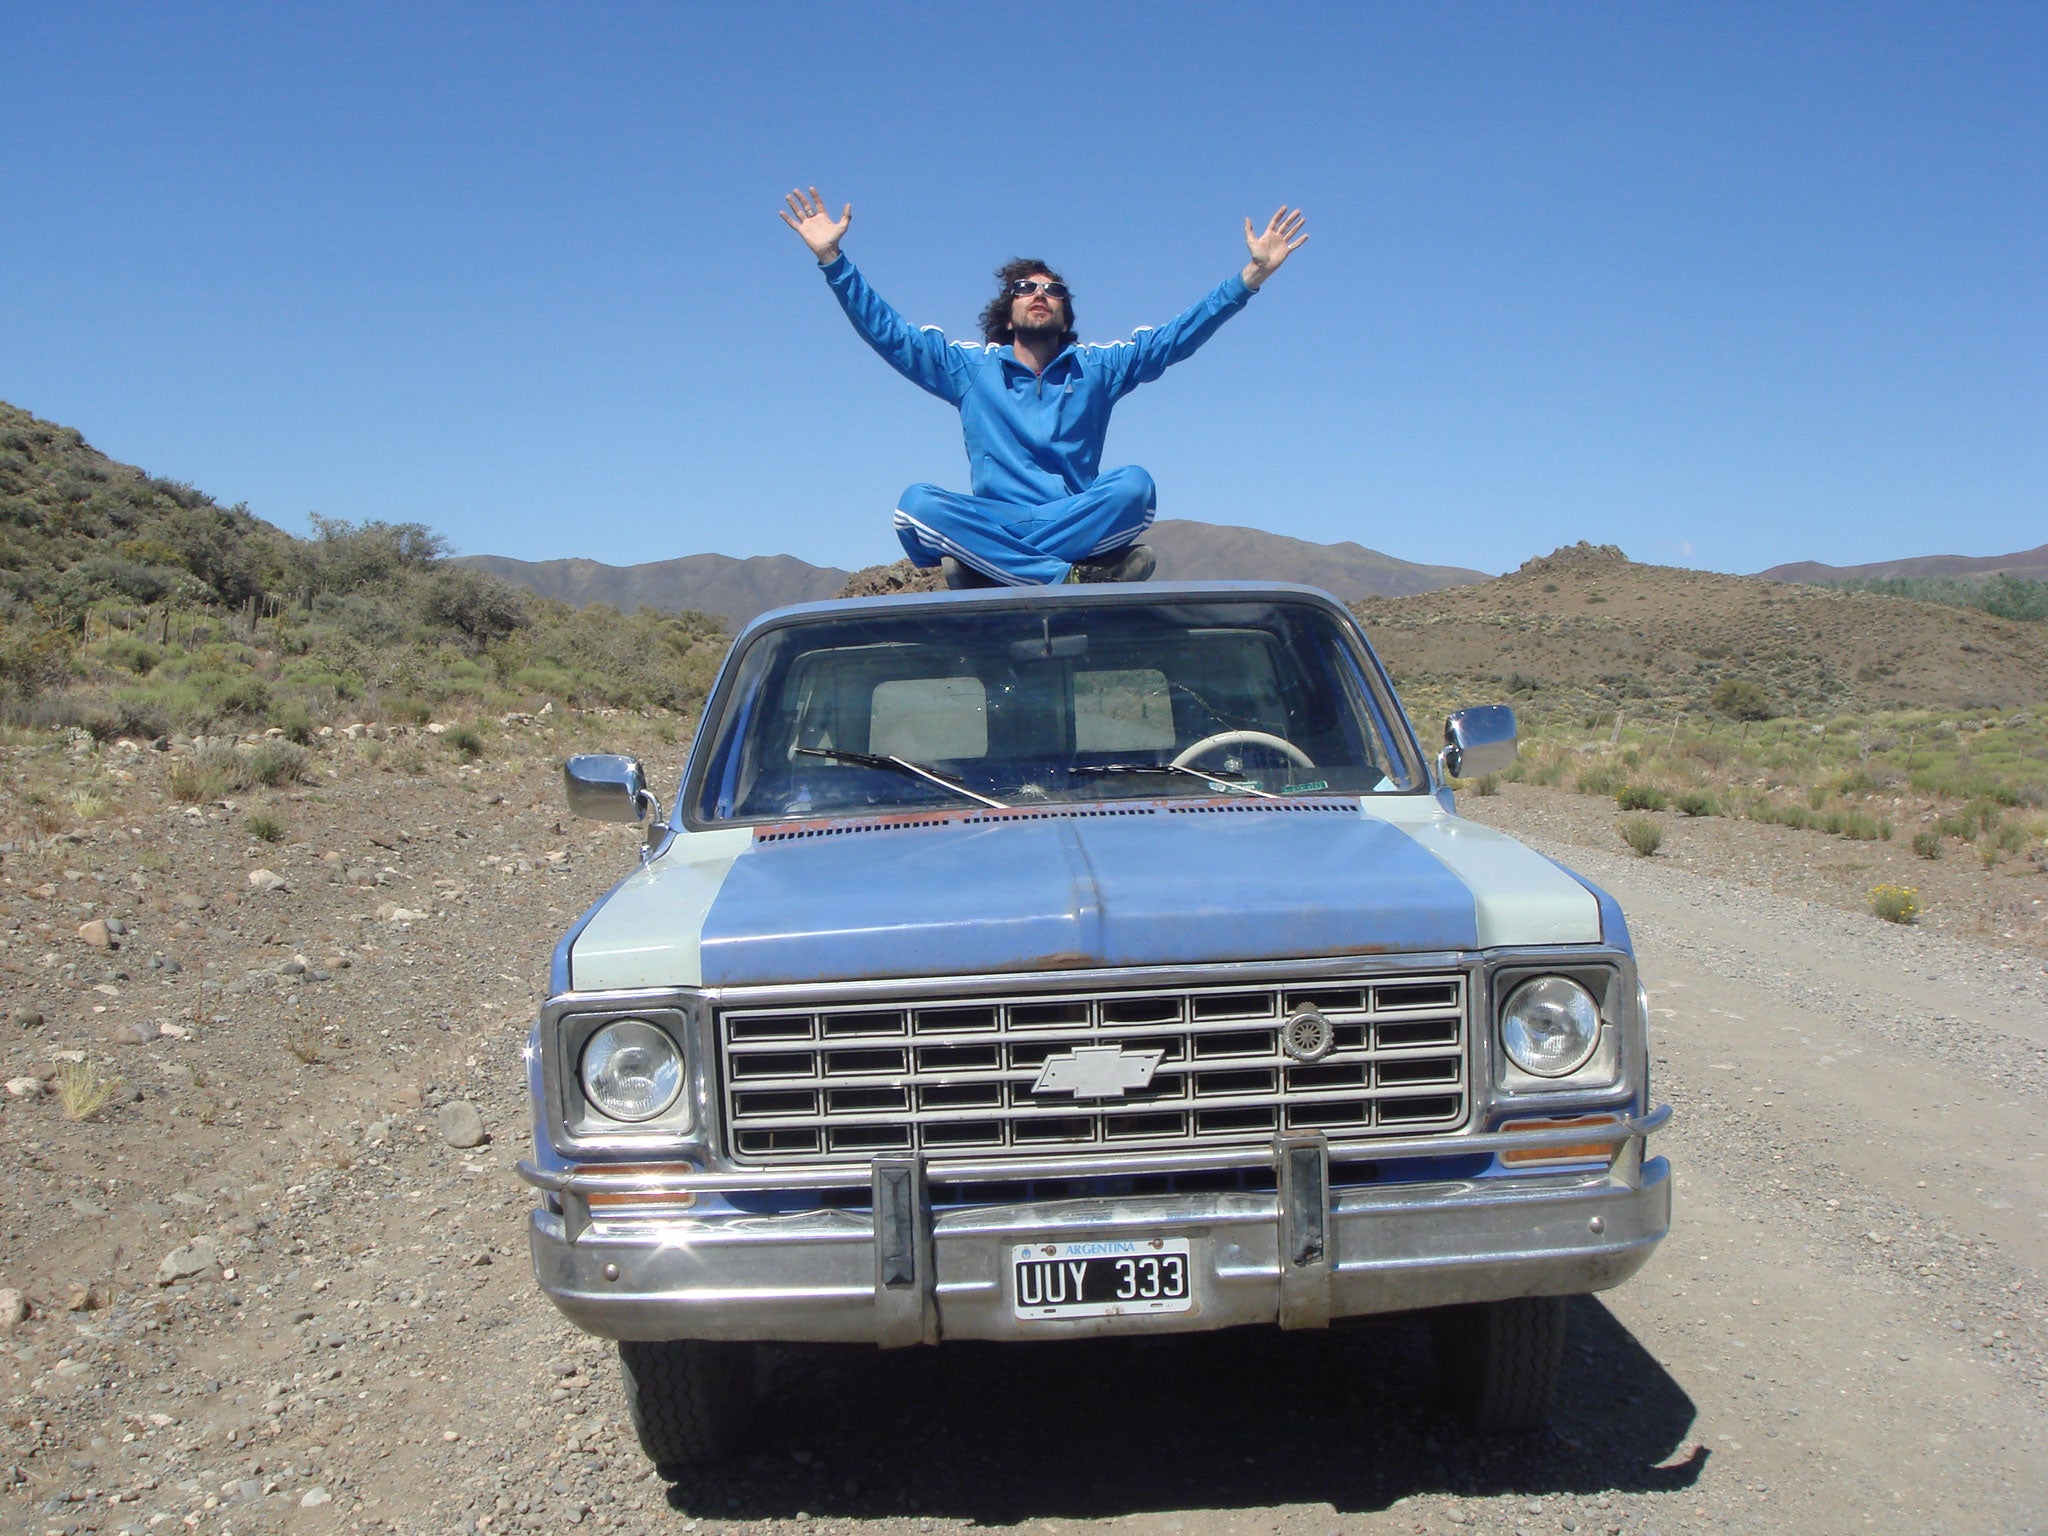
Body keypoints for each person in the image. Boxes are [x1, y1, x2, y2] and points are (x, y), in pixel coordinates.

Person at [780, 188, 1308, 587]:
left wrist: (1248, 279)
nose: (1040, 294)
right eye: (1025, 288)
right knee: (915, 505)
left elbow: (1174, 339)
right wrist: (833, 261)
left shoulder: (1098, 368)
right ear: (1007, 314)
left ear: (1065, 311)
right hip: (1000, 519)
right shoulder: (968, 369)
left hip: (1070, 517)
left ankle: (992, 569)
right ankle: (1065, 577)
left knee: (1135, 487)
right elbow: (890, 334)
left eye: (1053, 290)